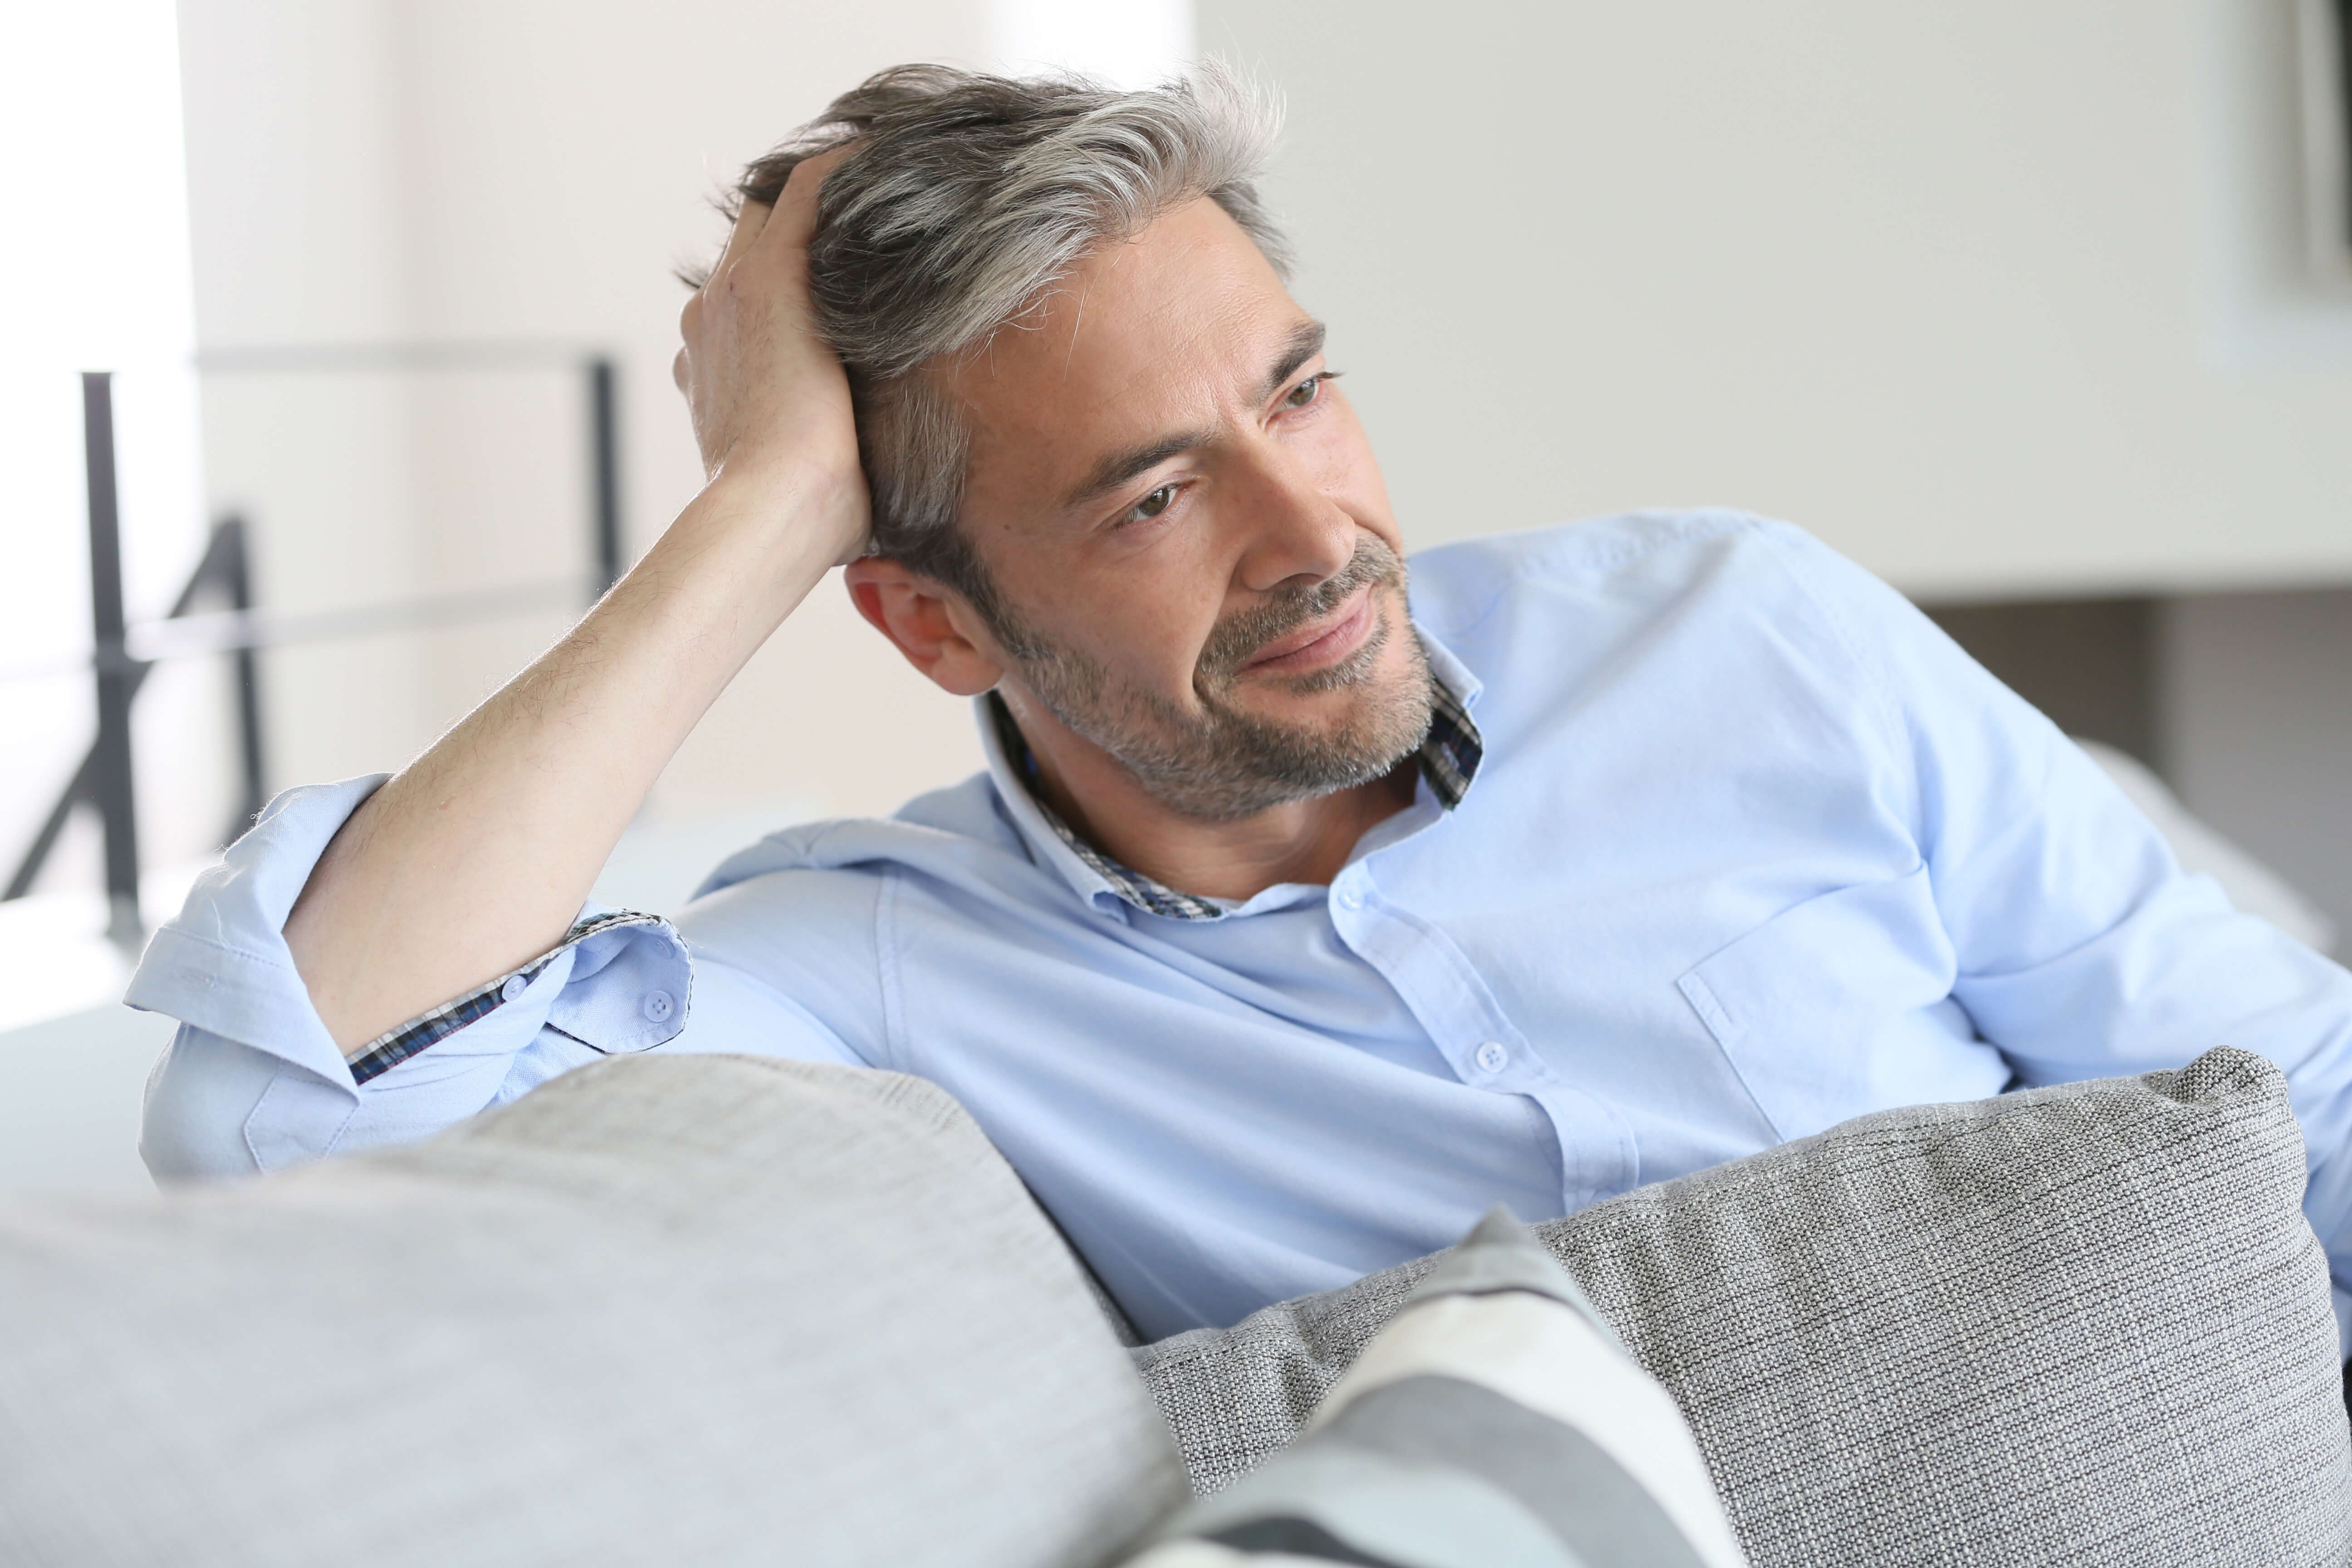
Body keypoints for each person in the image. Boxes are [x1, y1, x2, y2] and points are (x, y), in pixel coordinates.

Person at [133, 65, 2352, 1345]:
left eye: (1301, 390)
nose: (1316, 539)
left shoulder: (1738, 632)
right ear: (928, 627)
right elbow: (298, 1115)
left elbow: (2297, 1096)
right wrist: (768, 506)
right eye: (1157, 493)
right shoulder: (896, 974)